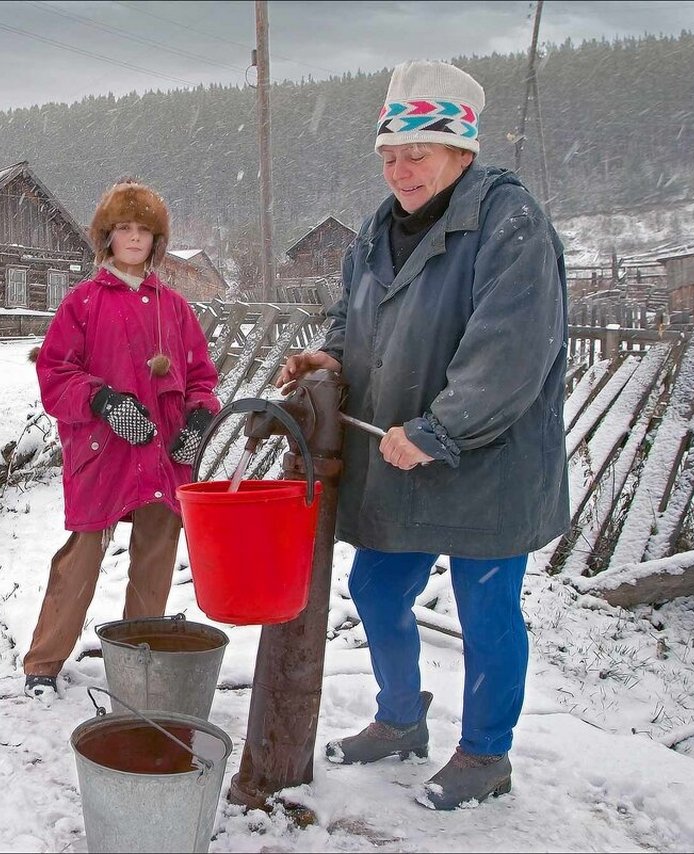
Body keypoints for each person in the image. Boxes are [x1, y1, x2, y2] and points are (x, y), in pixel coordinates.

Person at [275, 60, 570, 809]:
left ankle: (486, 755)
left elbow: (512, 348)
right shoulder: (377, 230)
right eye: (390, 156)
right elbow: (352, 320)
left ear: (461, 150)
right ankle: (402, 719)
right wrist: (329, 357)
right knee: (376, 589)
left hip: (487, 460)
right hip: (402, 456)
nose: (401, 171)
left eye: (418, 154)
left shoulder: (509, 221)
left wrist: (442, 428)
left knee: (486, 610)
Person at [22, 179, 221, 701]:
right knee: (83, 554)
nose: (134, 238)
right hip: (102, 450)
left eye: (144, 230)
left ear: (157, 240)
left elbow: (202, 377)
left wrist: (198, 420)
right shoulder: (83, 303)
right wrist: (103, 401)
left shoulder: (175, 308)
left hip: (164, 451)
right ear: (106, 237)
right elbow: (55, 373)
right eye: (124, 228)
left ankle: (138, 658)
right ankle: (44, 661)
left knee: (156, 555)